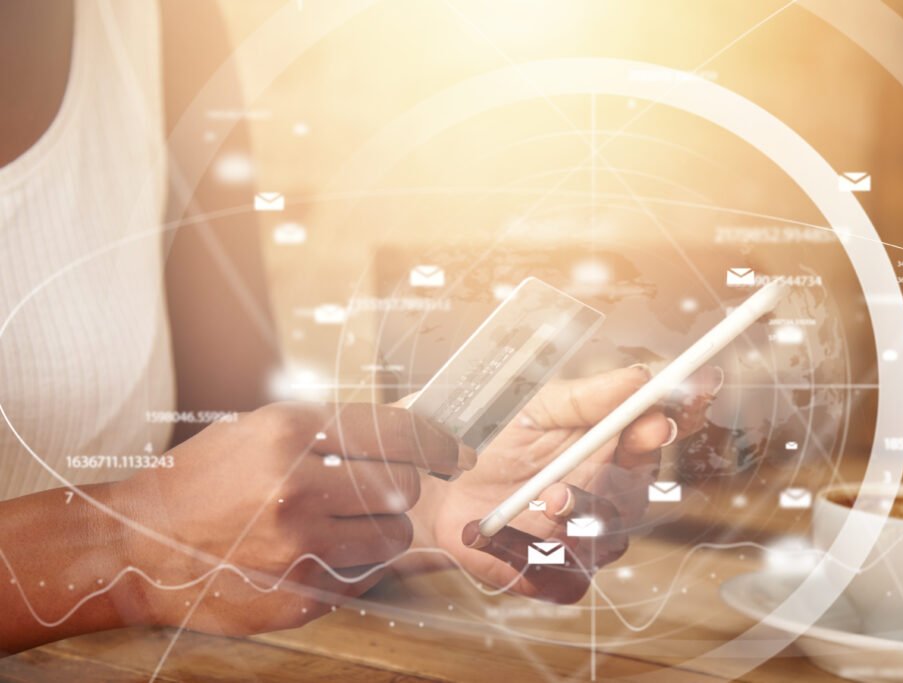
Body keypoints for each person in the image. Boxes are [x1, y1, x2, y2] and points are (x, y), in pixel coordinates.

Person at [0, 0, 720, 656]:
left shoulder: (162, 20)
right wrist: (126, 542)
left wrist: (432, 496)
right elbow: (171, 534)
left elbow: (219, 480)